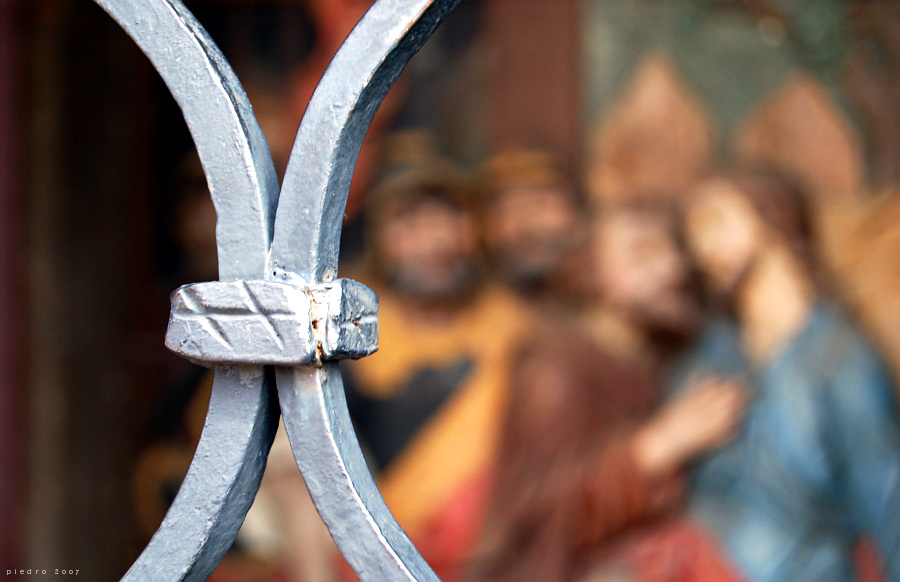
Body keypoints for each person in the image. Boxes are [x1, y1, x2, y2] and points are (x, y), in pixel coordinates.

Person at [468, 199, 747, 582]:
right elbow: (536, 514)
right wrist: (652, 448)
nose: (672, 269)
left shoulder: (668, 354)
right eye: (643, 254)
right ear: (591, 273)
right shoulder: (557, 367)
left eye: (674, 251)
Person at [673, 167, 900, 582]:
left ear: (772, 217)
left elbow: (886, 499)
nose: (702, 247)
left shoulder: (838, 358)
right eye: (693, 234)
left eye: (715, 223)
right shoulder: (714, 353)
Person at [341, 132, 531, 581]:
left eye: (447, 219)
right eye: (409, 223)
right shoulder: (347, 329)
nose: (433, 242)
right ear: (379, 237)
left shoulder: (515, 326)